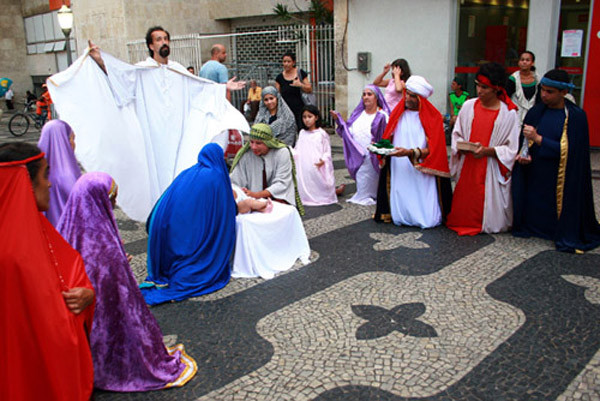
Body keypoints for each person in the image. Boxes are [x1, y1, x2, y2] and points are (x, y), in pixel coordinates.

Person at [47, 26, 248, 222]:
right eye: (159, 39)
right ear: (151, 46)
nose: (164, 42)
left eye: (166, 39)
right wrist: (100, 61)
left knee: (179, 174)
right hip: (153, 137)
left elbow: (202, 87)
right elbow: (119, 78)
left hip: (178, 137)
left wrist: (223, 88)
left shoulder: (178, 71)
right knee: (155, 178)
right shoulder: (141, 71)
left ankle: (176, 215)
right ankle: (158, 218)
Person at [58, 172, 197, 391]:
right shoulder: (103, 246)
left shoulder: (65, 229)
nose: (113, 205)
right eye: (111, 199)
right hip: (104, 332)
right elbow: (119, 296)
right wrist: (119, 261)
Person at [0, 142, 94, 401]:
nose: (50, 183)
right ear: (23, 182)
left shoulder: (36, 226)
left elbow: (66, 273)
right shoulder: (11, 253)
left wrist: (86, 294)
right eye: (44, 174)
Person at [512, 69, 600, 253]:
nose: (544, 95)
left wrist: (539, 139)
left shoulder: (576, 117)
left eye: (550, 92)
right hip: (536, 170)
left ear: (563, 92)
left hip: (561, 173)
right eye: (542, 90)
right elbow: (524, 140)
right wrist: (524, 153)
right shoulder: (536, 112)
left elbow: (574, 152)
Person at [140, 143, 237, 305]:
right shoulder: (217, 176)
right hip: (184, 232)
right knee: (195, 257)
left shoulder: (189, 172)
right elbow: (226, 209)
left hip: (164, 226)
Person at [446, 62, 520, 235]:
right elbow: (457, 134)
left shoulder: (508, 113)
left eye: (485, 87)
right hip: (468, 165)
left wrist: (488, 151)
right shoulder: (468, 106)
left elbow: (512, 147)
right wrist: (462, 146)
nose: (479, 91)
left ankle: (484, 222)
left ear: (496, 89)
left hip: (491, 166)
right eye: (478, 86)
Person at [373, 76, 452, 228]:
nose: (407, 98)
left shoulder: (433, 117)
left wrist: (410, 152)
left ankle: (422, 216)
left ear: (420, 98)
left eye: (412, 95)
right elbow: (389, 137)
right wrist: (382, 147)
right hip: (399, 165)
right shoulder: (398, 113)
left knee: (424, 206)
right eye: (406, 93)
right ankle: (400, 215)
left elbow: (435, 151)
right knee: (401, 191)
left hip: (421, 167)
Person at [330, 85, 390, 205]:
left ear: (376, 97)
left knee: (375, 182)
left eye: (369, 94)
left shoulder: (382, 115)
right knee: (363, 180)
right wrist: (339, 121)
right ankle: (363, 194)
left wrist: (378, 145)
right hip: (358, 154)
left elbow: (388, 135)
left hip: (374, 156)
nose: (366, 97)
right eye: (364, 94)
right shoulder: (358, 114)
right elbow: (347, 132)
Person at [230, 123, 304, 214]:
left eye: (258, 143)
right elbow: (235, 181)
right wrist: (242, 192)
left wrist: (257, 195)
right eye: (251, 142)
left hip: (278, 197)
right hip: (251, 200)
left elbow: (281, 183)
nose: (253, 147)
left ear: (268, 143)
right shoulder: (246, 155)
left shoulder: (282, 153)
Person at [37, 120, 81, 227]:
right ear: (63, 141)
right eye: (71, 138)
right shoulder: (69, 175)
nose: (73, 143)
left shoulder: (36, 172)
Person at [294, 105, 338, 206]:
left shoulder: (321, 134)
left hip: (317, 164)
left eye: (310, 117)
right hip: (304, 165)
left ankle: (325, 195)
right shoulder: (302, 133)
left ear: (316, 117)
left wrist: (323, 160)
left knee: (318, 183)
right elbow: (297, 148)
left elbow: (327, 150)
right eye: (304, 117)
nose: (307, 120)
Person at [275, 51, 313, 130]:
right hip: (286, 111)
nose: (286, 64)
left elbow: (309, 89)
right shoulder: (279, 78)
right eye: (284, 61)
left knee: (302, 130)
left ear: (293, 62)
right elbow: (277, 95)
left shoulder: (300, 73)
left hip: (300, 109)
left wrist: (300, 85)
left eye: (289, 61)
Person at [506, 50, 540, 125]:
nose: (524, 62)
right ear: (519, 62)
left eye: (527, 60)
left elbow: (539, 99)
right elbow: (506, 97)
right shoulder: (513, 78)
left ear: (532, 63)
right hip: (516, 114)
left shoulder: (537, 79)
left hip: (532, 115)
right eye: (522, 60)